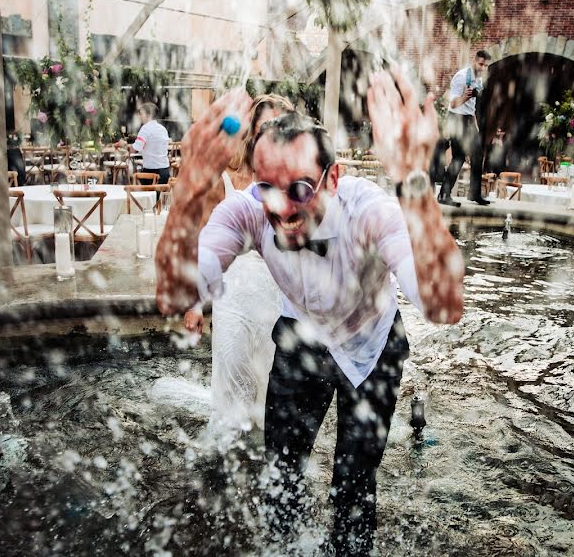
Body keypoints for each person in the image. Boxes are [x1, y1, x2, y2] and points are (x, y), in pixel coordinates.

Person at [155, 68, 464, 555]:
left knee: (354, 483)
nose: (283, 210)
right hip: (301, 337)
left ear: (333, 177)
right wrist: (189, 187)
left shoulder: (369, 210)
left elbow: (444, 306)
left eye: (300, 190)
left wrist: (414, 180)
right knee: (280, 471)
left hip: (373, 347)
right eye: (267, 190)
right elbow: (173, 296)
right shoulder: (249, 210)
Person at [150, 94, 295, 431]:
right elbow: (203, 240)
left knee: (269, 401)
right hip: (233, 297)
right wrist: (197, 305)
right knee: (230, 391)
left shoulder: (294, 183)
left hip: (277, 300)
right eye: (265, 129)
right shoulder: (228, 179)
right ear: (252, 133)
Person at [431, 49, 491, 206]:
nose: (482, 68)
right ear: (474, 61)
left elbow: (473, 106)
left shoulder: (479, 79)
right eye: (480, 64)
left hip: (469, 120)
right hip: (456, 119)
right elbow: (452, 103)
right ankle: (444, 195)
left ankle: (474, 194)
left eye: (485, 66)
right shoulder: (461, 77)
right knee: (459, 156)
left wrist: (475, 124)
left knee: (478, 155)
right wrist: (465, 96)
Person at [116, 102, 171, 184]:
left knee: (148, 195)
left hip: (151, 172)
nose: (139, 116)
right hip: (165, 170)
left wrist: (123, 144)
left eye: (141, 113)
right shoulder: (163, 129)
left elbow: (134, 150)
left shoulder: (145, 129)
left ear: (148, 115)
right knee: (160, 196)